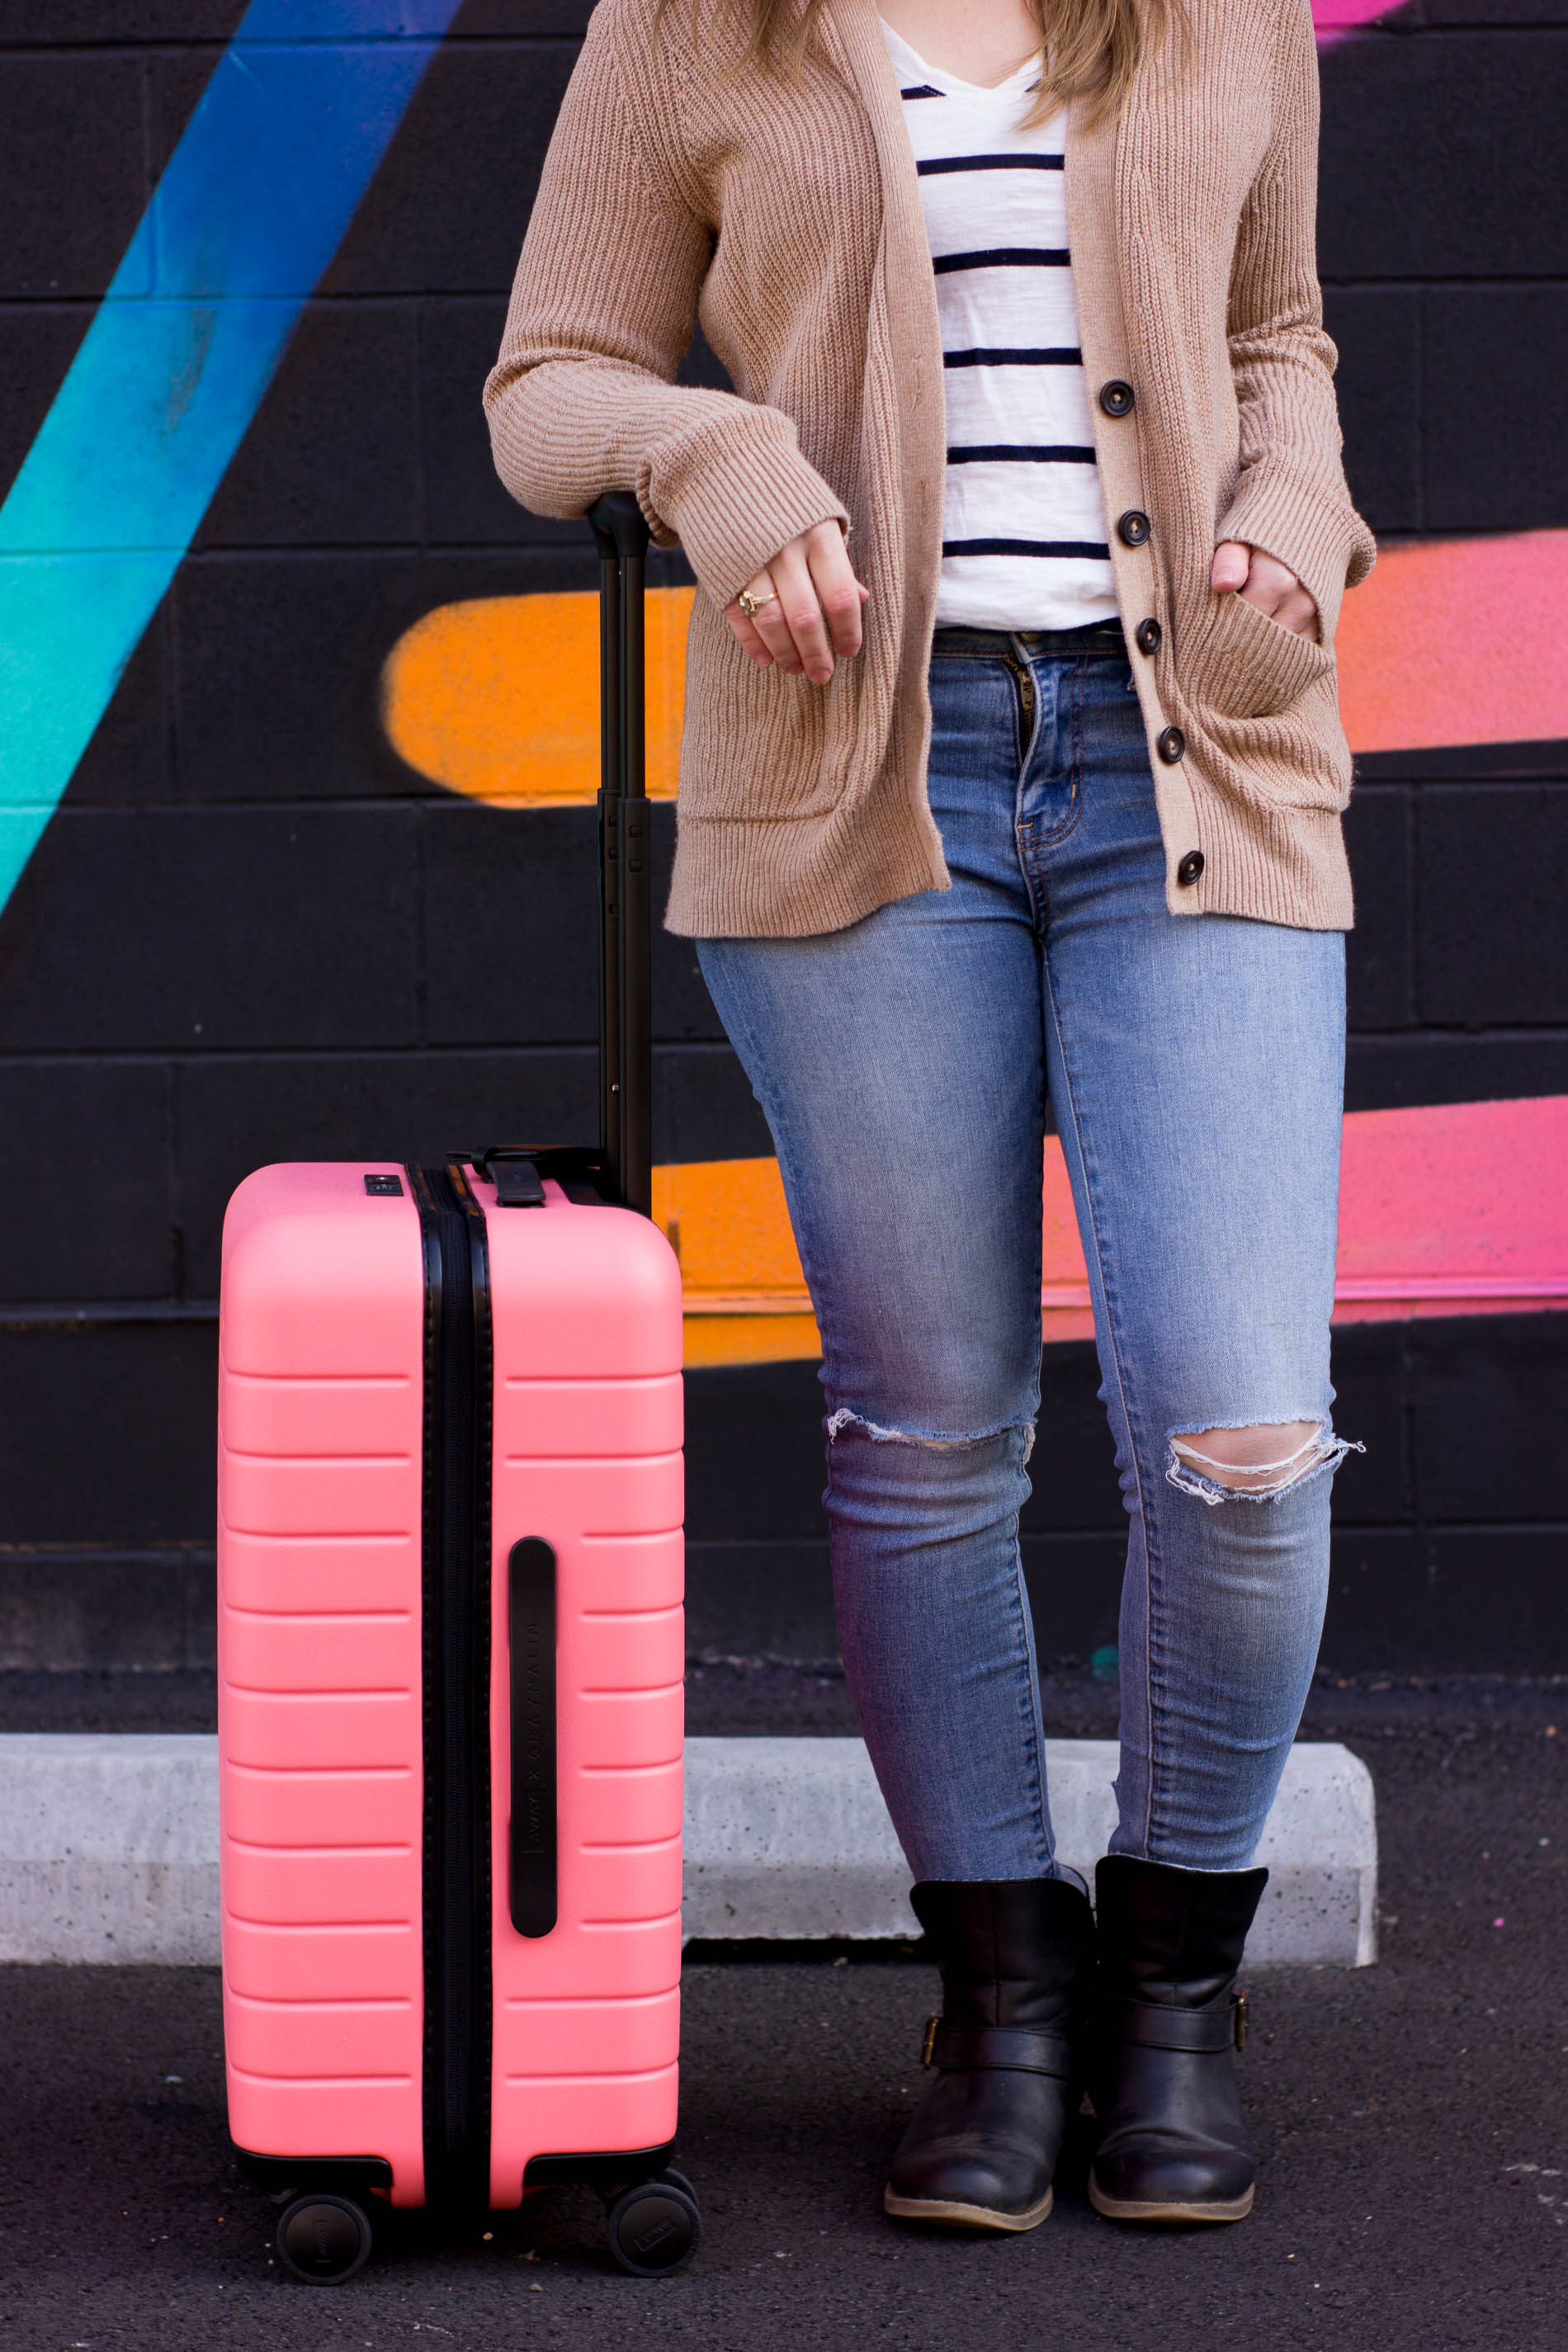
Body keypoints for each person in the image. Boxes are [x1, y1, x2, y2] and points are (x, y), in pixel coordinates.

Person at [486, 0, 1373, 2236]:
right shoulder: (697, 24)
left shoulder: (1211, 11)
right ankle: (1000, 1998)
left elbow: (1282, 332)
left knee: (1243, 1429)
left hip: (1199, 758)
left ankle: (1173, 1987)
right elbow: (544, 381)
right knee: (924, 1424)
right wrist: (715, 457)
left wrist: (1292, 497)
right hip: (861, 781)